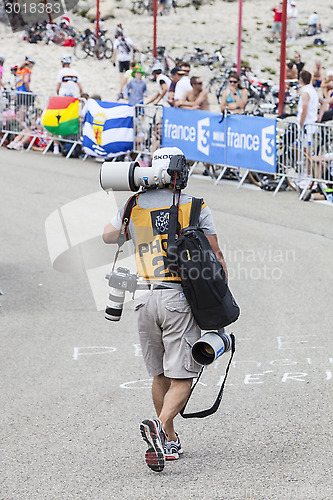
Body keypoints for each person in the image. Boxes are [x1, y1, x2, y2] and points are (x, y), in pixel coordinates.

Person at [102, 147, 228, 472]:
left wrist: (137, 213)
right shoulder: (194, 206)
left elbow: (107, 236)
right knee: (184, 374)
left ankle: (168, 441)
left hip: (143, 298)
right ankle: (159, 425)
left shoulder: (133, 204)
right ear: (181, 173)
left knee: (158, 373)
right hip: (178, 299)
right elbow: (214, 255)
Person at [112, 28, 138, 100]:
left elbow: (114, 51)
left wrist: (113, 61)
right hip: (128, 58)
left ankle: (122, 90)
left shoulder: (117, 41)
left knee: (121, 75)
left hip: (120, 59)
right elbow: (134, 47)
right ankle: (129, 88)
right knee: (129, 74)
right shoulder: (128, 39)